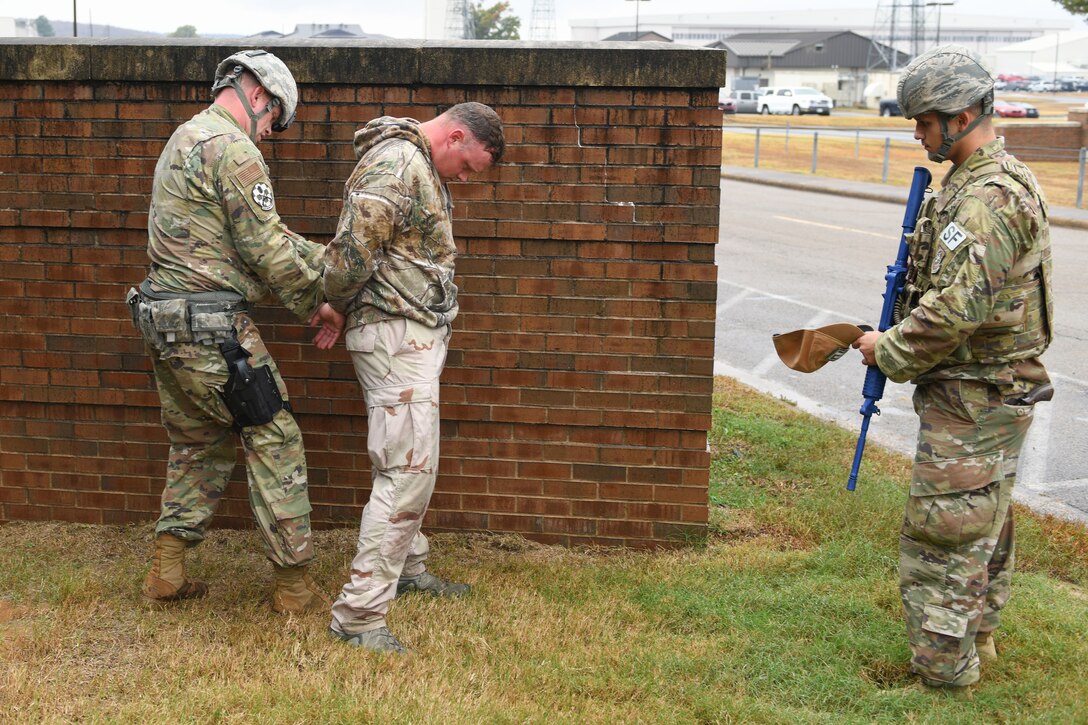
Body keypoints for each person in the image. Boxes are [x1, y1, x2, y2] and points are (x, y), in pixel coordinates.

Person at [852, 45, 1054, 688]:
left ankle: (944, 672)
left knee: (942, 536)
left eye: (924, 121)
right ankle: (979, 642)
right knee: (982, 523)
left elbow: (954, 311)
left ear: (962, 116)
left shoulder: (987, 200)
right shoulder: (980, 184)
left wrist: (886, 349)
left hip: (977, 395)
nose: (917, 132)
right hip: (984, 392)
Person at [127, 49, 345, 614]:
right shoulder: (234, 149)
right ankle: (295, 589)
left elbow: (245, 236)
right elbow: (263, 246)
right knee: (275, 438)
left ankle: (167, 572)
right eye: (274, 120)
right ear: (257, 95)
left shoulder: (187, 136)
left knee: (198, 441)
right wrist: (317, 303)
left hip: (164, 323)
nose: (270, 133)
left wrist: (323, 258)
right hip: (212, 329)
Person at [323, 102, 505, 653]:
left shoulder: (416, 162)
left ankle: (408, 566)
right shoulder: (400, 163)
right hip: (394, 336)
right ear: (454, 137)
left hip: (410, 333)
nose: (467, 179)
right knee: (407, 470)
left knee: (414, 461)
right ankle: (359, 615)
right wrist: (333, 303)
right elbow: (352, 251)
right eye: (469, 166)